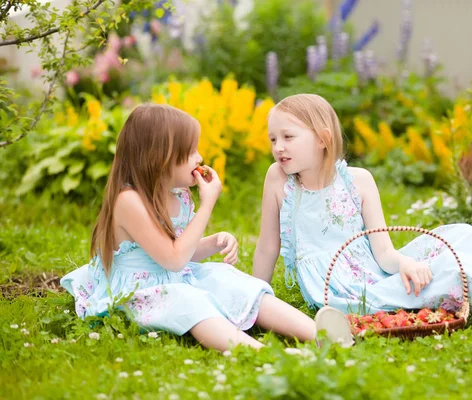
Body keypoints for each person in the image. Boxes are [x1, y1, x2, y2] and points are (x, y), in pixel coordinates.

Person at [253, 93, 472, 341]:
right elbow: (268, 246)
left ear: (323, 140)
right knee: (451, 274)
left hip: (374, 268)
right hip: (346, 289)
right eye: (273, 139)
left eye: (288, 137)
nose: (278, 147)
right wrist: (259, 298)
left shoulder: (357, 180)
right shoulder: (279, 180)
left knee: (460, 234)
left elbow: (384, 252)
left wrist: (402, 263)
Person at [60, 103, 349, 352]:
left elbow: (179, 253)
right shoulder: (129, 201)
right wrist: (208, 204)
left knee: (231, 280)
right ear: (159, 158)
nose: (199, 158)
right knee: (190, 302)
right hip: (139, 288)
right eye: (190, 152)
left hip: (175, 274)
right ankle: (260, 353)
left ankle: (321, 333)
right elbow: (172, 259)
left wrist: (212, 243)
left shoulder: (177, 194)